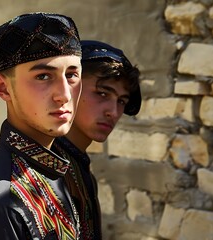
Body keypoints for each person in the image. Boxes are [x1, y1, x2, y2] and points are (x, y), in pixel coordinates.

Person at [0, 12, 83, 239]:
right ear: (3, 88)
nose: (64, 94)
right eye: (43, 76)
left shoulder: (55, 166)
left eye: (71, 75)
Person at [55, 40, 141, 239]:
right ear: (70, 89)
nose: (114, 112)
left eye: (121, 101)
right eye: (102, 93)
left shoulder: (79, 169)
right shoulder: (40, 170)